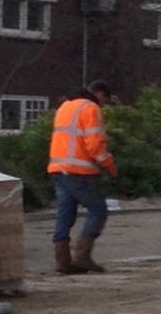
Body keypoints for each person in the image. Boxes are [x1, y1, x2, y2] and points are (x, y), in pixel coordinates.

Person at [48, 80, 119, 275]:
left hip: (57, 168)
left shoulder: (65, 106)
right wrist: (110, 167)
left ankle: (62, 261)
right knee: (98, 210)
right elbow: (95, 145)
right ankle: (82, 256)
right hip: (80, 171)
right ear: (100, 94)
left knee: (65, 213)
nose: (103, 105)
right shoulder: (90, 108)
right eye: (105, 100)